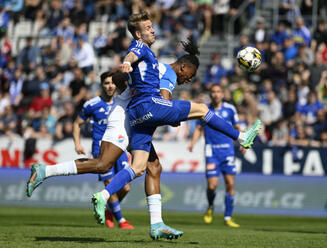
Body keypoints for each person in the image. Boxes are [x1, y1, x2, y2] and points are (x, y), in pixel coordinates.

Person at [91, 11, 261, 233]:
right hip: (148, 107)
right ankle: (241, 137)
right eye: (149, 27)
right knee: (201, 108)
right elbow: (138, 62)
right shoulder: (153, 57)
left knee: (140, 166)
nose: (189, 79)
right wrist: (126, 64)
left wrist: (170, 113)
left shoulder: (155, 61)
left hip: (137, 116)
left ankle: (104, 195)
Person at [26, 52, 198, 239]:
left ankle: (157, 224)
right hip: (125, 118)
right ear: (183, 66)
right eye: (191, 74)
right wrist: (175, 115)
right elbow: (164, 102)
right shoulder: (164, 71)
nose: (189, 79)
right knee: (103, 164)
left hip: (135, 119)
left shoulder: (153, 67)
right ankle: (45, 171)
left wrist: (129, 85)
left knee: (154, 167)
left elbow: (120, 78)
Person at [73, 70, 133, 229]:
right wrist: (77, 143)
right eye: (106, 83)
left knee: (125, 187)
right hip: (100, 149)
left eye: (112, 83)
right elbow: (76, 124)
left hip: (119, 147)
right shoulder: (92, 104)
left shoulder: (123, 101)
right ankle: (121, 220)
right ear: (102, 85)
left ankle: (108, 209)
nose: (110, 86)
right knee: (110, 182)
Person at [187, 84, 241, 228]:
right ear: (210, 95)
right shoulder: (204, 110)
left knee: (230, 184)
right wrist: (193, 142)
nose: (216, 94)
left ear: (223, 94)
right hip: (211, 152)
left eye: (218, 92)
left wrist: (242, 142)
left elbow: (237, 127)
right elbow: (198, 128)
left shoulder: (230, 109)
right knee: (212, 186)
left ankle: (228, 217)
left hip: (227, 151)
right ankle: (210, 206)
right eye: (213, 92)